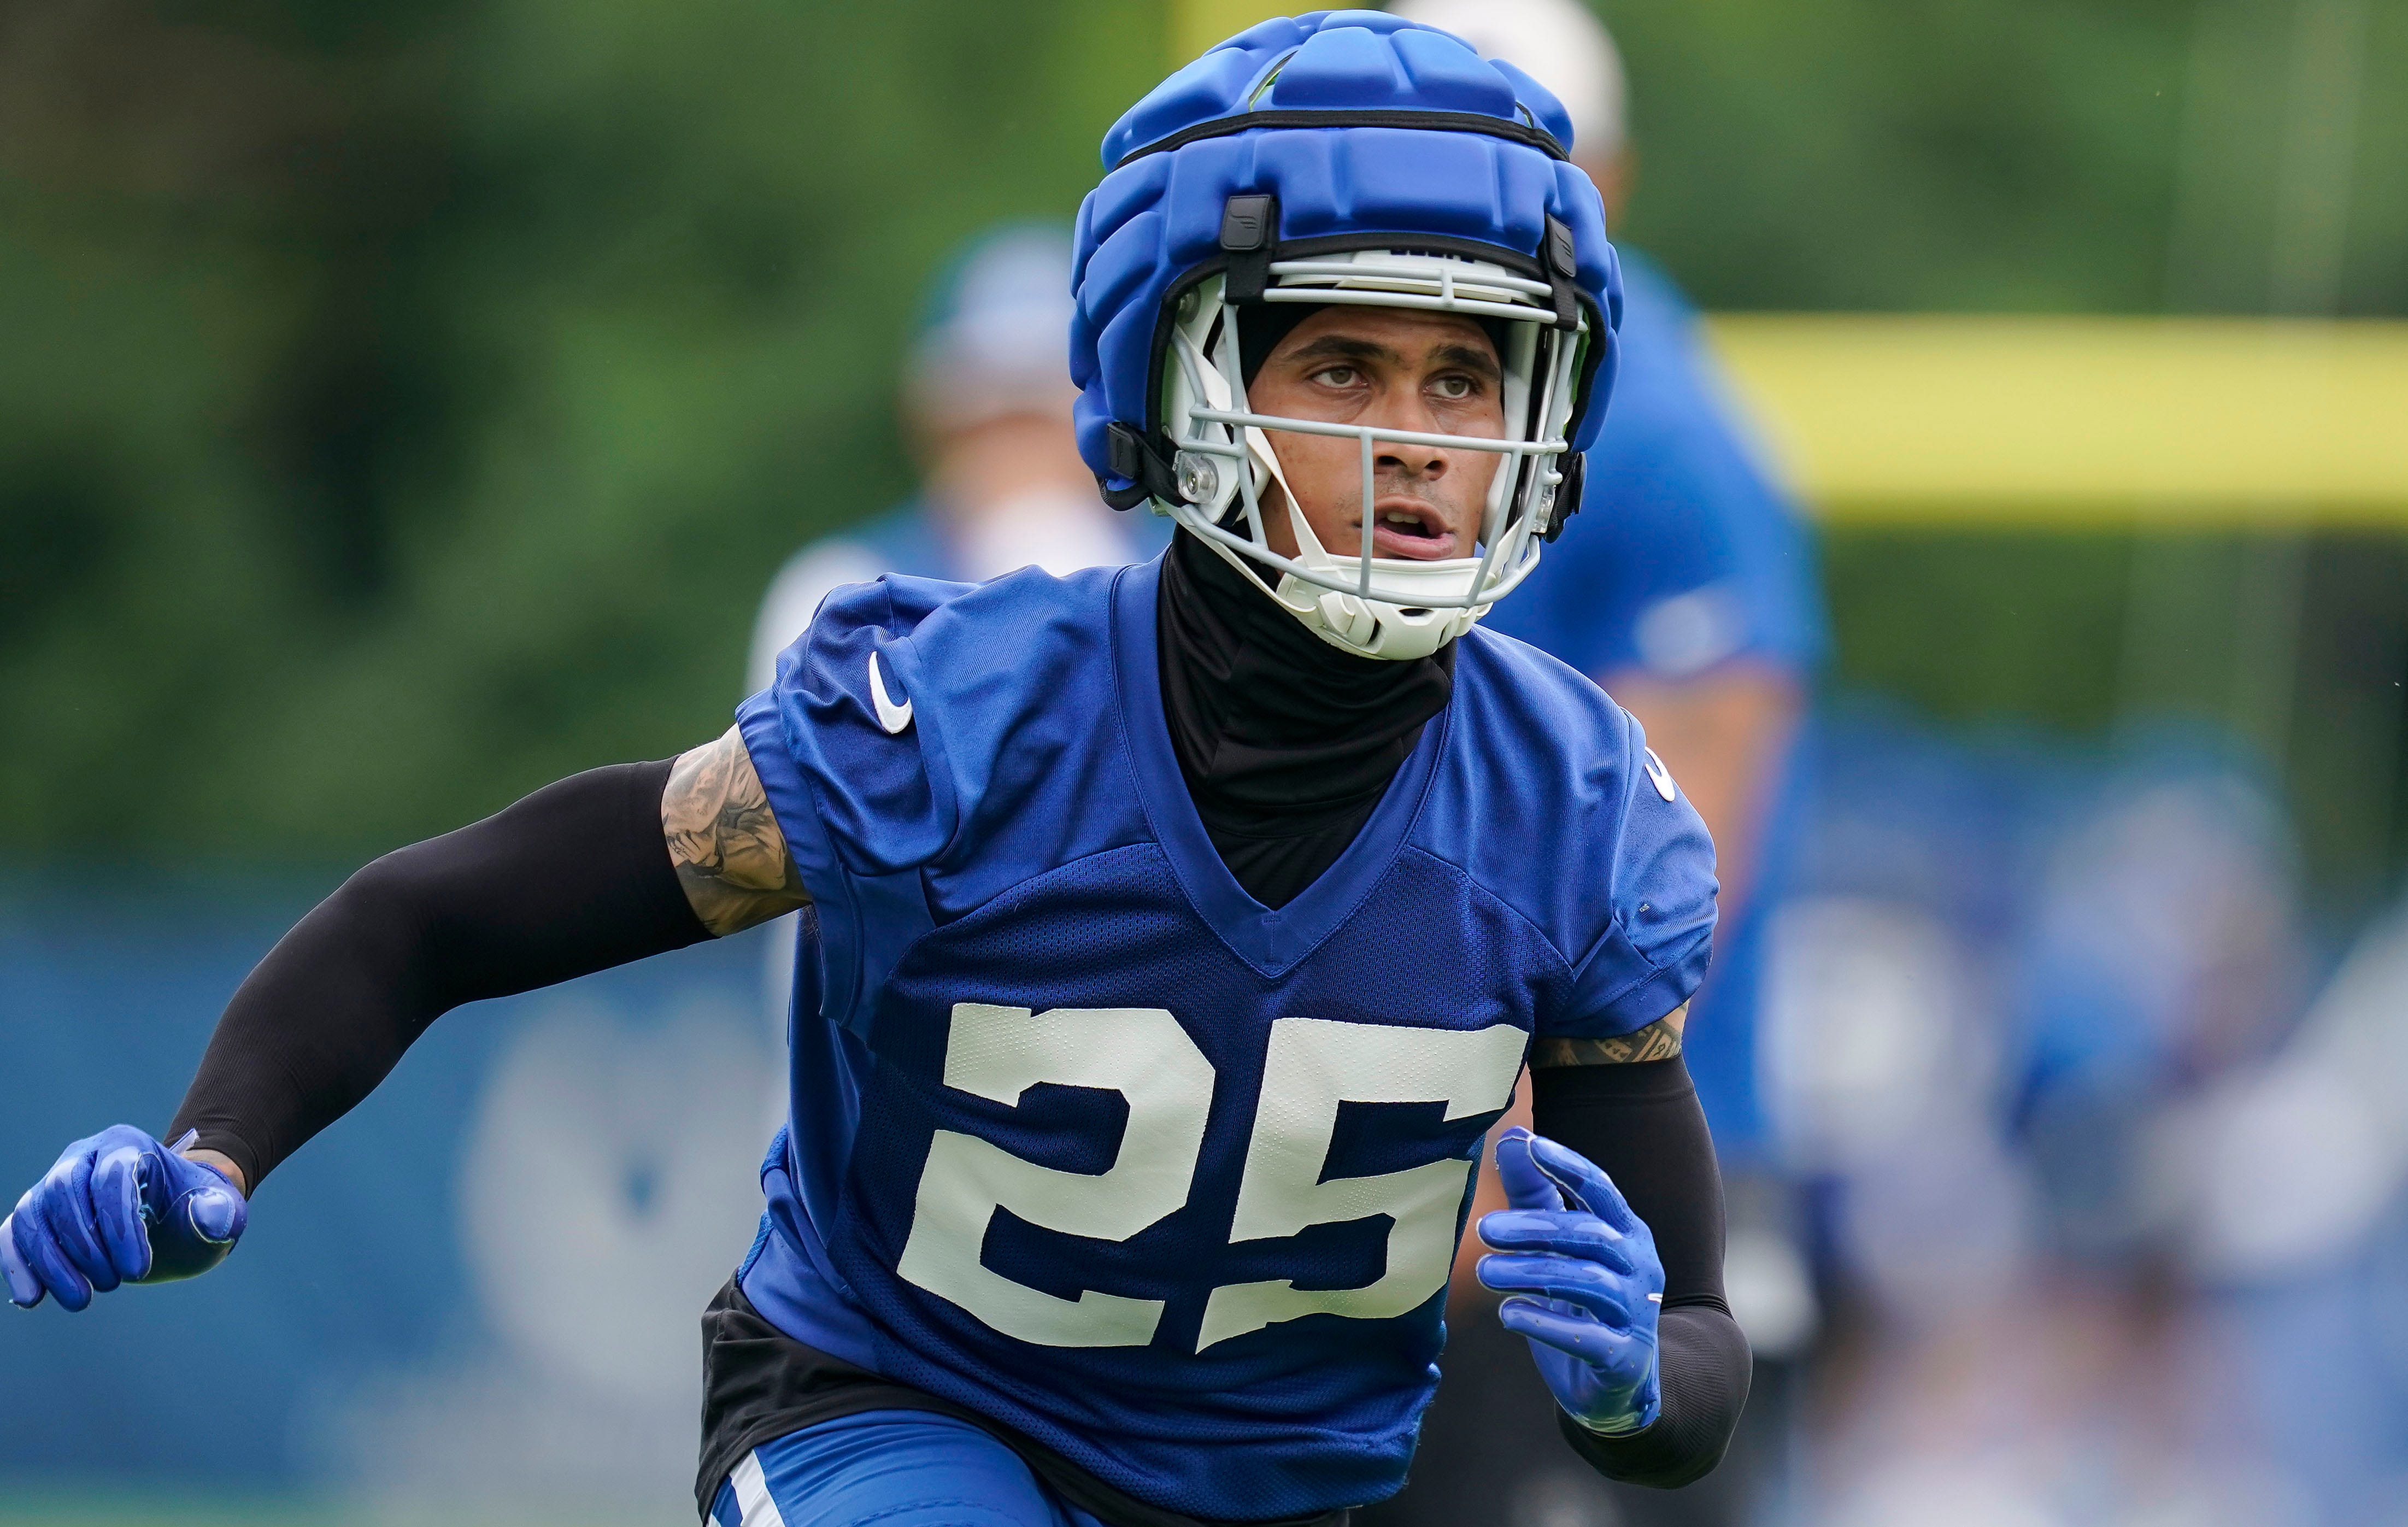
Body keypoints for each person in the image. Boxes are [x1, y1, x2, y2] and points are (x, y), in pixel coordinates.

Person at [3, 16, 1751, 1527]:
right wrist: (219, 1144)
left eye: (1466, 374)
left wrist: (1625, 1384)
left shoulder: (1575, 806)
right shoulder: (968, 720)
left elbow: (1700, 1351)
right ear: (1184, 376)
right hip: (900, 1417)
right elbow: (435, 921)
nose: (1413, 439)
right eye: (1345, 363)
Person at [1365, 2, 1827, 1524]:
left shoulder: (1658, 426)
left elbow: (1671, 874)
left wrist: (1472, 1179)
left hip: (1565, 1174)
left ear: (1602, 176)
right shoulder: (1362, 387)